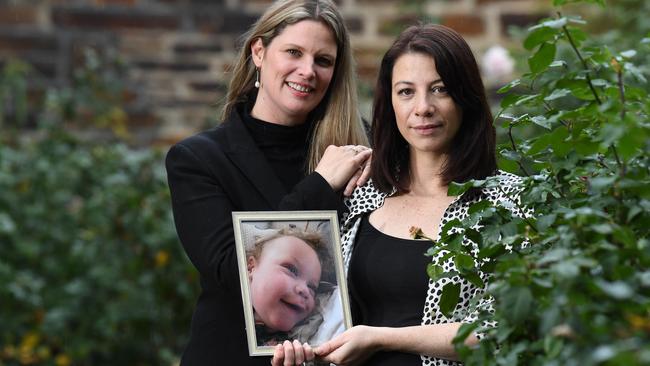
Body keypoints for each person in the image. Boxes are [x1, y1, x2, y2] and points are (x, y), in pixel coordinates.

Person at [272, 24, 527, 366]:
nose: (423, 107)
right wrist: (305, 349)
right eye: (406, 91)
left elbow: (510, 329)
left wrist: (380, 338)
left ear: (466, 97)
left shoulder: (509, 202)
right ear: (389, 101)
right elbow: (321, 314)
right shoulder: (360, 197)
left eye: (440, 89)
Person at [165, 0, 371, 364]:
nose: (307, 70)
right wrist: (321, 184)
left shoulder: (361, 149)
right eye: (294, 52)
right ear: (258, 51)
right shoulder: (199, 159)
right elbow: (233, 269)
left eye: (323, 60)